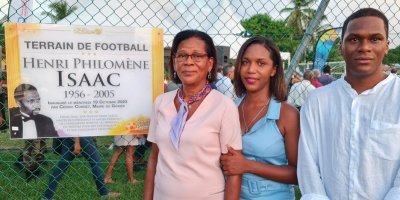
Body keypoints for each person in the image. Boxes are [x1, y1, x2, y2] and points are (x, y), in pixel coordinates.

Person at [298, 8, 400, 200]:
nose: (364, 47)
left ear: (386, 46)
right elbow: (308, 167)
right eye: (354, 39)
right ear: (341, 48)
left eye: (375, 39)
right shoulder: (317, 101)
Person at [144, 30, 242, 200]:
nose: (188, 62)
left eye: (197, 56)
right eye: (182, 55)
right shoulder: (161, 103)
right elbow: (154, 158)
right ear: (174, 62)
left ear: (210, 63)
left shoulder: (224, 106)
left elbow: (234, 170)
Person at [220, 37, 299, 199]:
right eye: (245, 62)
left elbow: (299, 174)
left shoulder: (287, 114)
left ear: (274, 70)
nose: (251, 69)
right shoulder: (229, 109)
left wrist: (247, 165)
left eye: (261, 63)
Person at [43, 137, 120, 199]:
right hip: (80, 136)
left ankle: (47, 197)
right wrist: (77, 142)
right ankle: (104, 193)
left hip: (68, 135)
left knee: (61, 166)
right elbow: (76, 121)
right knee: (96, 162)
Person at [10, 83, 58, 181]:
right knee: (30, 145)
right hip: (28, 134)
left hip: (40, 128)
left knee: (41, 142)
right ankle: (30, 172)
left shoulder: (47, 119)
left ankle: (36, 158)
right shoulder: (15, 119)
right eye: (31, 101)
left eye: (38, 100)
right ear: (19, 103)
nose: (36, 104)